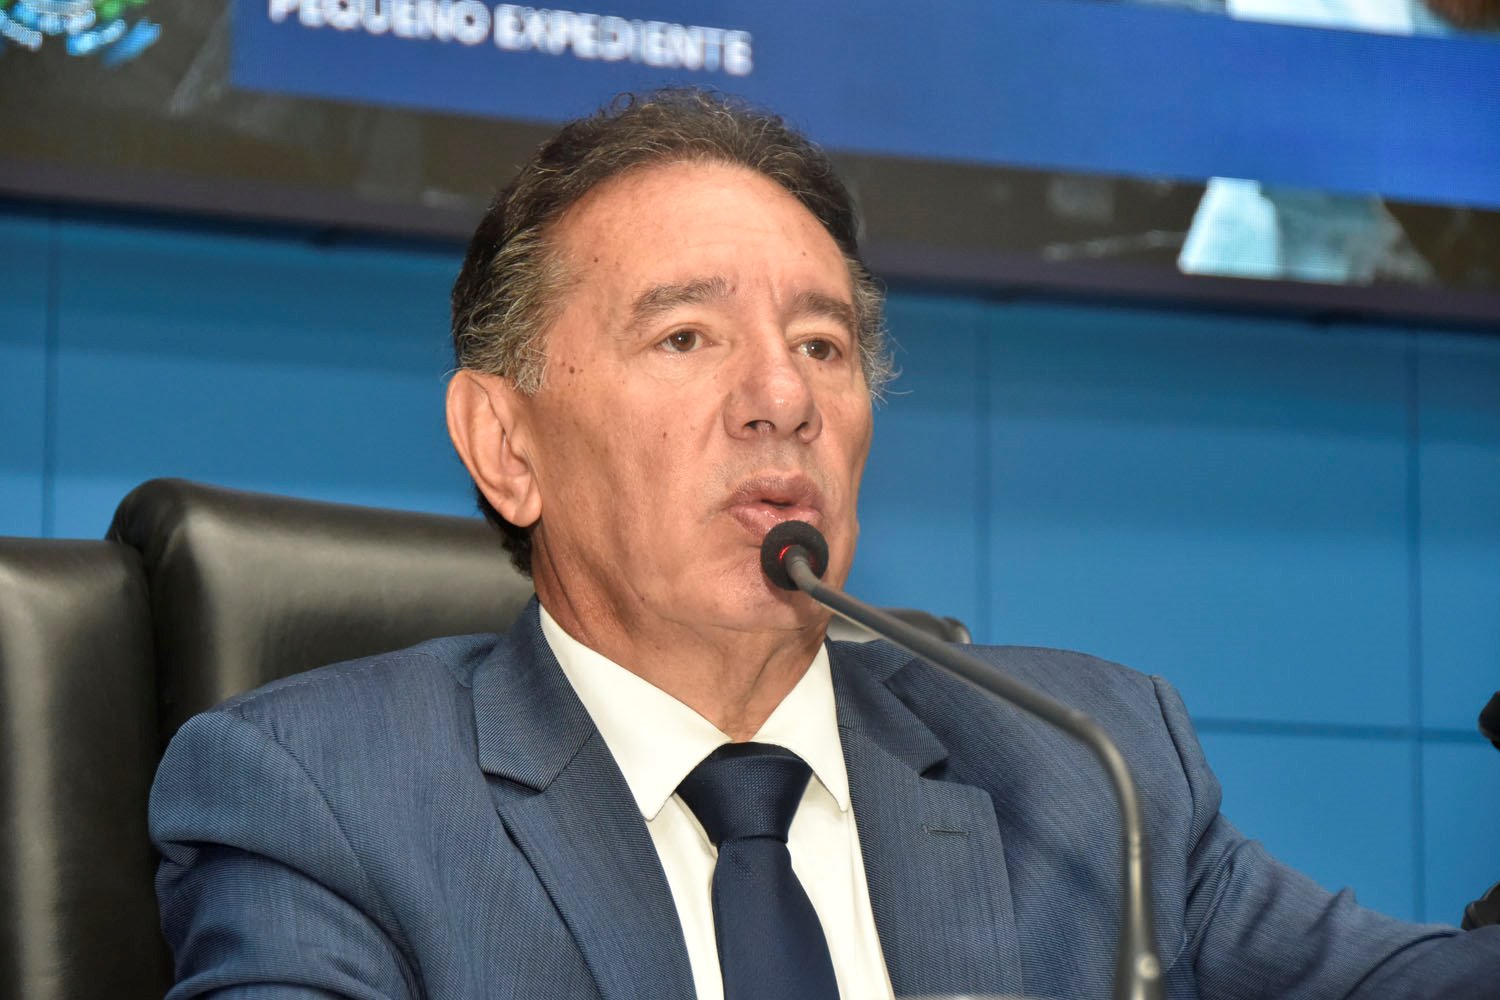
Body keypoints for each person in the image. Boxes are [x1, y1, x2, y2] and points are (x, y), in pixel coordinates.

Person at [150, 89, 1500, 999]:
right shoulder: (323, 802)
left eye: (822, 344)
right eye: (686, 336)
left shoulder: (1082, 769)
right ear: (506, 444)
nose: (780, 398)